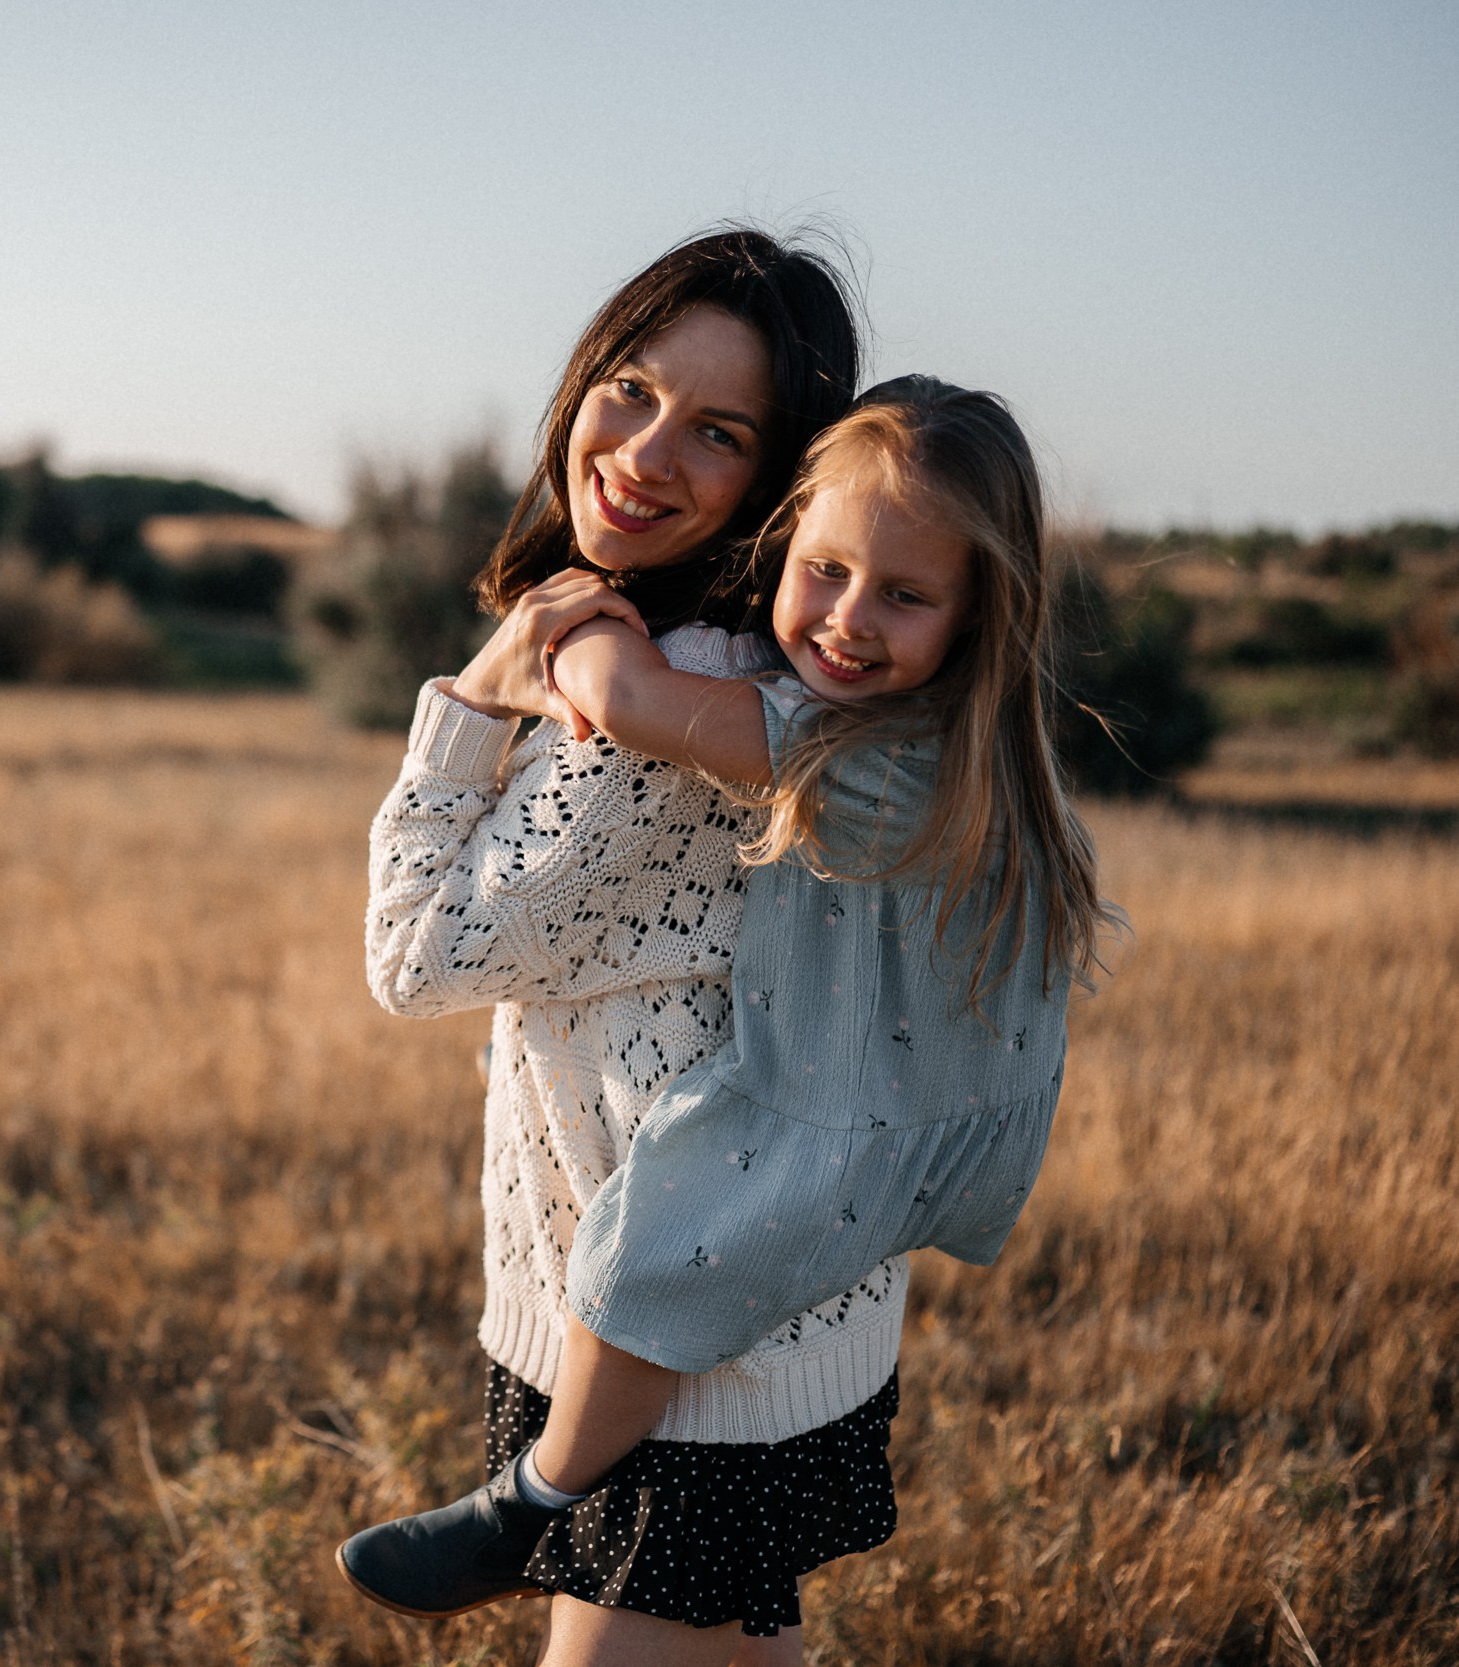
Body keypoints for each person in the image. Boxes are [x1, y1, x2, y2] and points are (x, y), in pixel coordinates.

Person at [346, 376, 1117, 1664]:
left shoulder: (866, 750)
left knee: (652, 1256)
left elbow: (629, 710)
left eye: (907, 596)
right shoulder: (931, 734)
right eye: (824, 570)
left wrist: (554, 645)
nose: (849, 623)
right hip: (851, 1145)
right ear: (783, 540)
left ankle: (534, 1497)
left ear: (981, 619)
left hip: (813, 1120)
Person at [351, 227, 898, 1663]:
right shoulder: (744, 675)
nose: (645, 454)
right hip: (752, 1325)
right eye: (633, 389)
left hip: (674, 1352)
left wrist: (474, 700)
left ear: (780, 485)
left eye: (717, 433)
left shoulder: (665, 717)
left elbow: (414, 959)